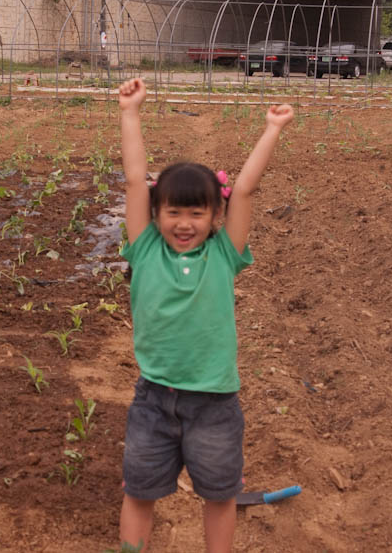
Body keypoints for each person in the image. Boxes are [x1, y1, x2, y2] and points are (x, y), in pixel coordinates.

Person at [117, 77, 294, 552]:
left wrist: (272, 129)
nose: (184, 223)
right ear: (155, 214)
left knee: (220, 495)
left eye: (197, 214)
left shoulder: (224, 255)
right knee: (138, 491)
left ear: (216, 216)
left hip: (214, 404)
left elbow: (248, 191)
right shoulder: (145, 248)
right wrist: (130, 112)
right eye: (173, 212)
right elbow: (136, 178)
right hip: (154, 399)